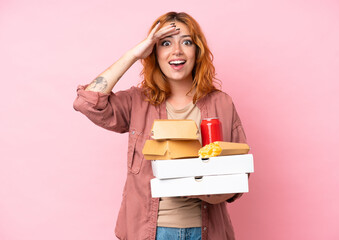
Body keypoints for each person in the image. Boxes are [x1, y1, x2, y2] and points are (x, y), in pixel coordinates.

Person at [73, 11, 248, 240]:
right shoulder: (137, 101)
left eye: (186, 42)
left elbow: (239, 171)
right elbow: (86, 102)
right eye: (165, 43)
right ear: (155, 52)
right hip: (150, 232)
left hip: (206, 231)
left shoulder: (221, 103)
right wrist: (134, 54)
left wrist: (204, 188)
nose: (177, 51)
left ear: (197, 51)